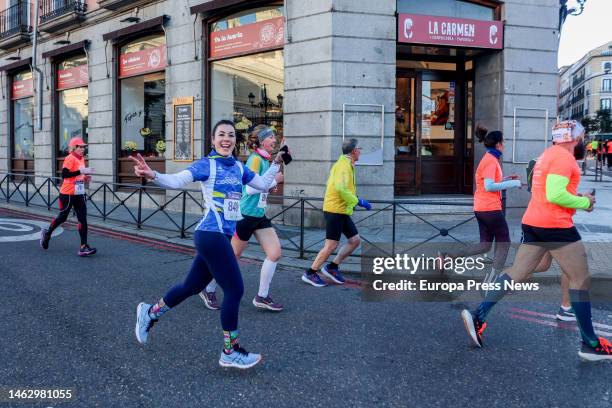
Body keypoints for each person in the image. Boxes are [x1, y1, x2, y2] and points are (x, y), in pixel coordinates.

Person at [132, 120, 285, 369]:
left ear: (236, 141)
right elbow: (177, 180)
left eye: (231, 135)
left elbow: (264, 184)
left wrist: (276, 163)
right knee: (235, 290)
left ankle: (150, 312)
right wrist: (153, 175)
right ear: (213, 140)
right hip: (209, 233)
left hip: (221, 237)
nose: (226, 139)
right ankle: (230, 351)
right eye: (221, 135)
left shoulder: (238, 166)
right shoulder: (208, 164)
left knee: (191, 286)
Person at [461, 120, 612, 361]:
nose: (583, 141)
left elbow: (550, 190)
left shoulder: (547, 155)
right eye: (581, 137)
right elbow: (555, 194)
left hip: (534, 221)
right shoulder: (564, 158)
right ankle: (590, 343)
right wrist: (585, 203)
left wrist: (577, 196)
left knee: (517, 272)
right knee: (580, 278)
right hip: (556, 225)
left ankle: (478, 315)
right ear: (571, 138)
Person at [200, 125, 286, 312]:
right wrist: (274, 181)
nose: (274, 140)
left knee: (275, 253)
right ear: (262, 140)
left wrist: (270, 185)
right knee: (231, 257)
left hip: (259, 215)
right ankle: (208, 288)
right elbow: (248, 188)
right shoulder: (255, 159)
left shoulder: (266, 159)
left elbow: (260, 186)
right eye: (271, 137)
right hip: (245, 215)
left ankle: (262, 296)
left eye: (275, 137)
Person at [441, 127, 521, 283]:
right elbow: (489, 186)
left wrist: (506, 178)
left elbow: (489, 181)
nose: (504, 144)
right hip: (490, 208)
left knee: (485, 245)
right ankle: (492, 281)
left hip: (481, 208)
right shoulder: (491, 161)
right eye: (503, 141)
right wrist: (513, 183)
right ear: (498, 144)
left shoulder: (489, 158)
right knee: (504, 242)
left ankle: (448, 256)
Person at [302, 138, 371, 287]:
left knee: (355, 240)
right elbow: (340, 189)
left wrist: (355, 199)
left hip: (342, 210)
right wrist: (359, 201)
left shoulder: (348, 164)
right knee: (331, 245)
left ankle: (332, 267)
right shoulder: (343, 165)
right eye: (359, 148)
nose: (360, 151)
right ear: (353, 151)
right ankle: (310, 272)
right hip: (334, 210)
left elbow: (343, 188)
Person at [40, 137, 96, 256]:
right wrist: (81, 172)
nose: (83, 149)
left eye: (83, 147)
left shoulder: (81, 159)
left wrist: (85, 177)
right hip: (68, 194)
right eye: (81, 147)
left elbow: (77, 175)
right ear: (74, 148)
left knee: (83, 219)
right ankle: (47, 233)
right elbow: (65, 175)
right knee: (63, 217)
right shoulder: (70, 158)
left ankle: (83, 246)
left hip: (79, 193)